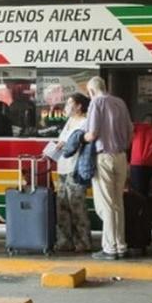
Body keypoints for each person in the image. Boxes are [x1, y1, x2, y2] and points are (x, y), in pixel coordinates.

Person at [84, 76, 133, 260]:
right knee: (118, 203)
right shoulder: (120, 102)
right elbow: (130, 131)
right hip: (121, 156)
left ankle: (110, 247)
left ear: (91, 91)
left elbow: (92, 133)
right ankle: (121, 245)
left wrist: (81, 138)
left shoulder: (96, 103)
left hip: (104, 157)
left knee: (107, 204)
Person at [52, 92, 93, 253]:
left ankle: (84, 241)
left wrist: (64, 144)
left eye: (70, 103)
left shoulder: (84, 123)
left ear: (79, 106)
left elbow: (73, 144)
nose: (66, 106)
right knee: (62, 206)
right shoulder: (69, 121)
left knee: (77, 206)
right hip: (62, 168)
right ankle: (65, 241)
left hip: (74, 169)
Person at [129, 114, 152, 200]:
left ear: (144, 121)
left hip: (136, 164)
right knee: (151, 192)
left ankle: (139, 211)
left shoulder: (136, 127)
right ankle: (149, 211)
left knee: (137, 194)